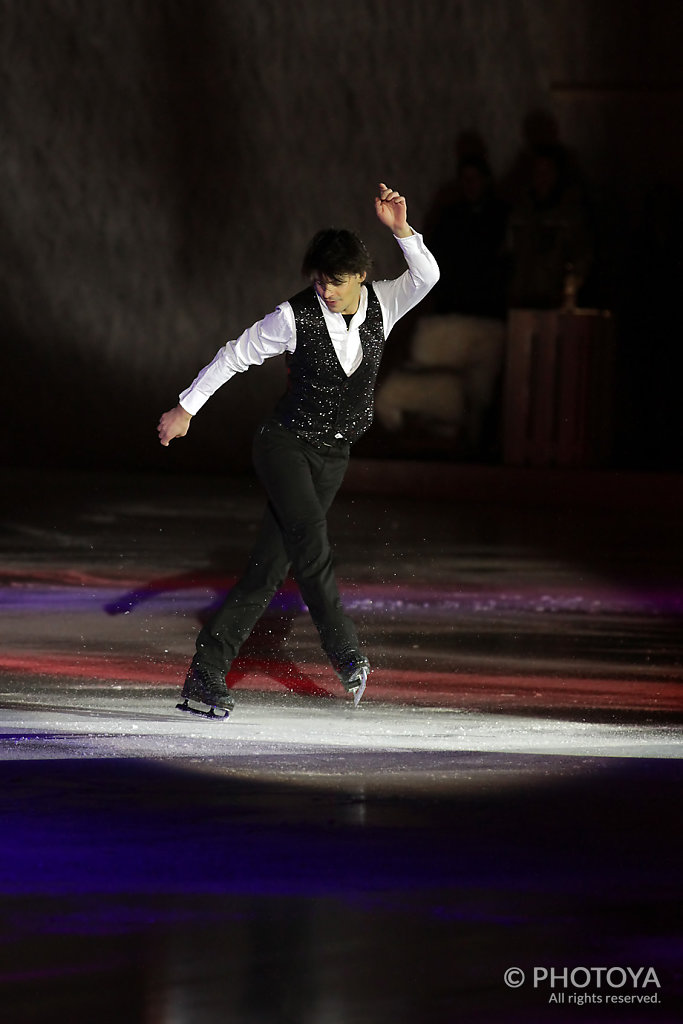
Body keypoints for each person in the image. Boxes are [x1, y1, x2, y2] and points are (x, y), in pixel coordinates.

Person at [157, 182, 439, 716]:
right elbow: (234, 354)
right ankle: (347, 653)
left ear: (360, 276)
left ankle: (205, 674)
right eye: (318, 279)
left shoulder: (386, 301)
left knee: (269, 568)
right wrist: (187, 408)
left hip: (333, 457)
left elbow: (428, 276)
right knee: (311, 547)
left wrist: (402, 229)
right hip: (284, 445)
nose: (325, 290)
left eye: (335, 281)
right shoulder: (293, 317)